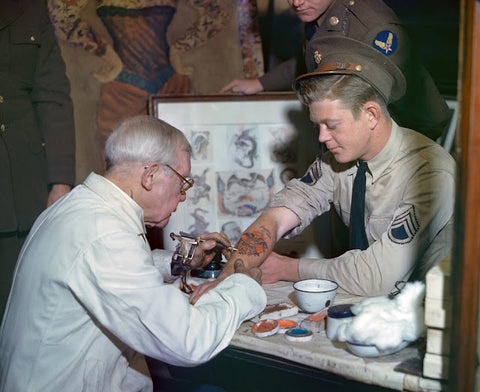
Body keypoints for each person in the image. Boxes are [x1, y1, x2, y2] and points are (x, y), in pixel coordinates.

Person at [0, 115, 266, 392]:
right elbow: (188, 340)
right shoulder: (104, 233)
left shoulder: (78, 207)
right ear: (149, 175)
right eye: (183, 182)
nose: (184, 195)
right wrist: (244, 285)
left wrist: (180, 261)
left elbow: (99, 270)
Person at [190, 35, 455, 304]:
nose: (321, 137)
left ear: (371, 115)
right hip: (367, 305)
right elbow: (277, 217)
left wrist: (288, 268)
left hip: (427, 313)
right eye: (318, 126)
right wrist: (227, 279)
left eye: (332, 125)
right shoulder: (336, 161)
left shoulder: (430, 173)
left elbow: (379, 277)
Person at [221, 0, 449, 141]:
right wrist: (260, 83)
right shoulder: (322, 11)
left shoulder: (372, 29)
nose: (296, 2)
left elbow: (425, 116)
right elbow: (316, 58)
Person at [0, 0, 76, 318]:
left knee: (17, 313)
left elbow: (52, 94)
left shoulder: (27, 8)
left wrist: (60, 181)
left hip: (19, 189)